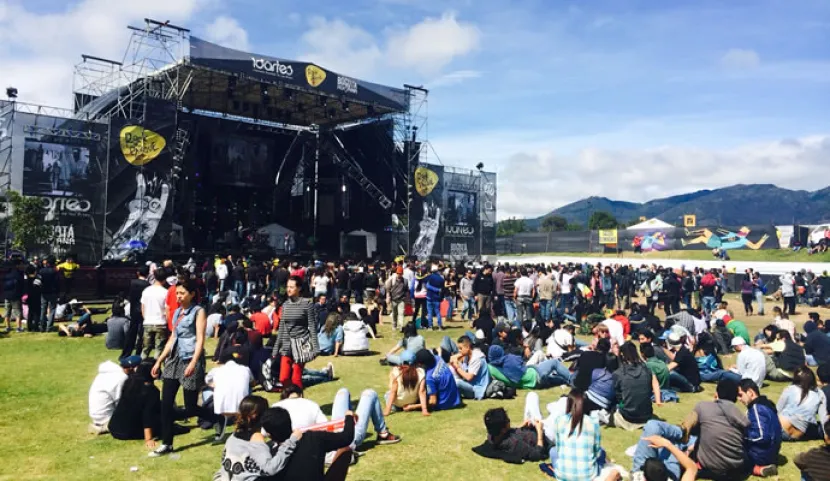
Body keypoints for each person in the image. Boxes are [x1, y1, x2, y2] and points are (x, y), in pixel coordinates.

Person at [150, 278, 223, 457]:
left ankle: (217, 419)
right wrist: (159, 360)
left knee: (190, 406)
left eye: (182, 293)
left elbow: (200, 339)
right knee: (166, 403)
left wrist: (193, 362)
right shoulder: (176, 313)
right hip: (174, 359)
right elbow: (172, 337)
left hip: (191, 358)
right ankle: (167, 443)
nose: (179, 296)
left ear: (191, 294)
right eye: (177, 293)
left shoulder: (198, 311)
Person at [214, 395, 300, 481]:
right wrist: (292, 441)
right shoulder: (256, 438)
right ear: (255, 415)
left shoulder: (233, 436)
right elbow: (270, 469)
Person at [260, 406, 354, 481]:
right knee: (345, 450)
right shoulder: (314, 438)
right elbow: (346, 438)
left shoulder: (270, 459)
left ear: (269, 435)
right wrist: (349, 417)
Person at [547, 389, 618, 481]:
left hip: (563, 475)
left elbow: (559, 448)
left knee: (553, 451)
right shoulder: (593, 423)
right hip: (588, 476)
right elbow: (596, 451)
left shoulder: (559, 421)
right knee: (602, 451)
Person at [272, 276, 319, 388]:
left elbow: (312, 326)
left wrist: (316, 347)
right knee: (283, 378)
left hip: (301, 344)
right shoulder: (285, 305)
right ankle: (290, 397)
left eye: (292, 287)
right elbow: (282, 328)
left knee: (296, 379)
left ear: (299, 288)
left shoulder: (307, 304)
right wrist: (275, 348)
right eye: (287, 287)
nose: (289, 289)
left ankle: (298, 400)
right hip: (287, 345)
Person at [108, 359, 162, 450]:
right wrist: (148, 439)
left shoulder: (129, 382)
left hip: (114, 427)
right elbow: (148, 415)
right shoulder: (151, 391)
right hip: (128, 432)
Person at [737, 379, 781, 477]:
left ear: (750, 393)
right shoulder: (767, 405)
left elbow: (762, 436)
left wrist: (741, 435)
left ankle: (756, 468)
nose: (739, 399)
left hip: (760, 455)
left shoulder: (757, 408)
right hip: (771, 453)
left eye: (740, 395)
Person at [206, 349, 255, 437]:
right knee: (249, 388)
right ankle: (242, 424)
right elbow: (252, 382)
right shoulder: (245, 369)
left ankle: (218, 423)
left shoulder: (215, 370)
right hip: (241, 407)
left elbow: (207, 381)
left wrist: (215, 385)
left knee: (206, 391)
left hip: (221, 409)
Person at [614, 342, 661, 431]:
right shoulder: (647, 370)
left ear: (622, 355)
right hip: (646, 414)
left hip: (628, 416)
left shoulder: (619, 373)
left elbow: (618, 396)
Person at [88, 355, 141, 435]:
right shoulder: (121, 378)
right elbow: (121, 402)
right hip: (106, 418)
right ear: (133, 368)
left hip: (97, 416)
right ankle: (107, 427)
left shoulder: (108, 372)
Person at [478, 406, 549, 464]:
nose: (509, 421)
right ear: (503, 429)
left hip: (533, 428)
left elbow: (509, 432)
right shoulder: (515, 444)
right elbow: (537, 454)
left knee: (532, 395)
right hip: (546, 435)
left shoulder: (492, 436)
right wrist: (540, 431)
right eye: (508, 420)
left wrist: (521, 427)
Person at [777, 366, 827, 441]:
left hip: (780, 430)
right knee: (816, 427)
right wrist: (826, 435)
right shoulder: (820, 394)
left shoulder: (790, 389)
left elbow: (777, 410)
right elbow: (823, 418)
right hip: (796, 436)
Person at [448, 335, 490, 400]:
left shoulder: (477, 358)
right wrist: (456, 359)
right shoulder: (467, 356)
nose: (459, 351)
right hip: (470, 384)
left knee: (456, 382)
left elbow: (469, 377)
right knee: (451, 374)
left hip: (477, 388)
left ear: (467, 347)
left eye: (460, 348)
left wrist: (457, 367)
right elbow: (451, 359)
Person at [141, 268, 170, 359]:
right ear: (165, 279)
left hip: (148, 322)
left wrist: (146, 318)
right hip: (160, 323)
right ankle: (156, 368)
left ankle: (141, 367)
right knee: (159, 349)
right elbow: (167, 309)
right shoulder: (165, 292)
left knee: (145, 348)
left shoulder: (146, 291)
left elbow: (143, 307)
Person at [385, 266, 408, 331]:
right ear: (396, 273)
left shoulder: (405, 281)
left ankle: (400, 326)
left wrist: (406, 299)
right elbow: (388, 289)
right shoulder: (392, 280)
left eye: (400, 273)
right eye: (398, 273)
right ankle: (394, 325)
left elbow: (406, 290)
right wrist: (388, 297)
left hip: (401, 300)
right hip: (393, 299)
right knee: (394, 314)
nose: (399, 275)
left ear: (402, 274)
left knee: (401, 313)